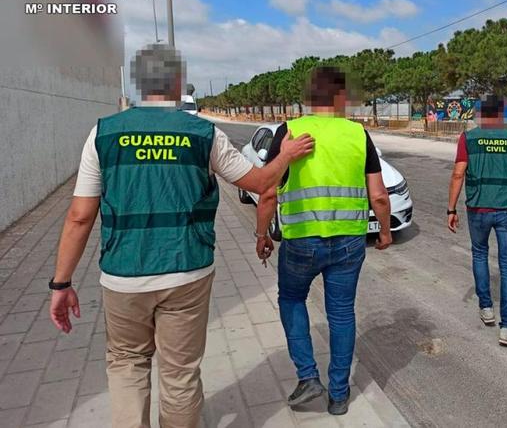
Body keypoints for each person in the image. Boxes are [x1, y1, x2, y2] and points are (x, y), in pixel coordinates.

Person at [48, 43, 314, 428]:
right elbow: (258, 182)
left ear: (139, 84)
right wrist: (286, 155)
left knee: (126, 366)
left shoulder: (103, 134)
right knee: (180, 373)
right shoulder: (204, 133)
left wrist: (62, 282)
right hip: (187, 271)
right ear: (178, 83)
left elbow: (79, 217)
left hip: (123, 276)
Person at [254, 66, 392, 415]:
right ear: (342, 97)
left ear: (310, 97)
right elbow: (378, 196)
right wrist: (386, 231)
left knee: (291, 299)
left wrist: (262, 234)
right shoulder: (358, 134)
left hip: (301, 241)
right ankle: (340, 395)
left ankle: (308, 376)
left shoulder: (291, 130)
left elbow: (268, 190)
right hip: (349, 243)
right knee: (342, 313)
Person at [447, 95, 507, 347]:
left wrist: (450, 209)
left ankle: (486, 308)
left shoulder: (468, 138)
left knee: (479, 254)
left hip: (478, 209)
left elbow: (457, 174)